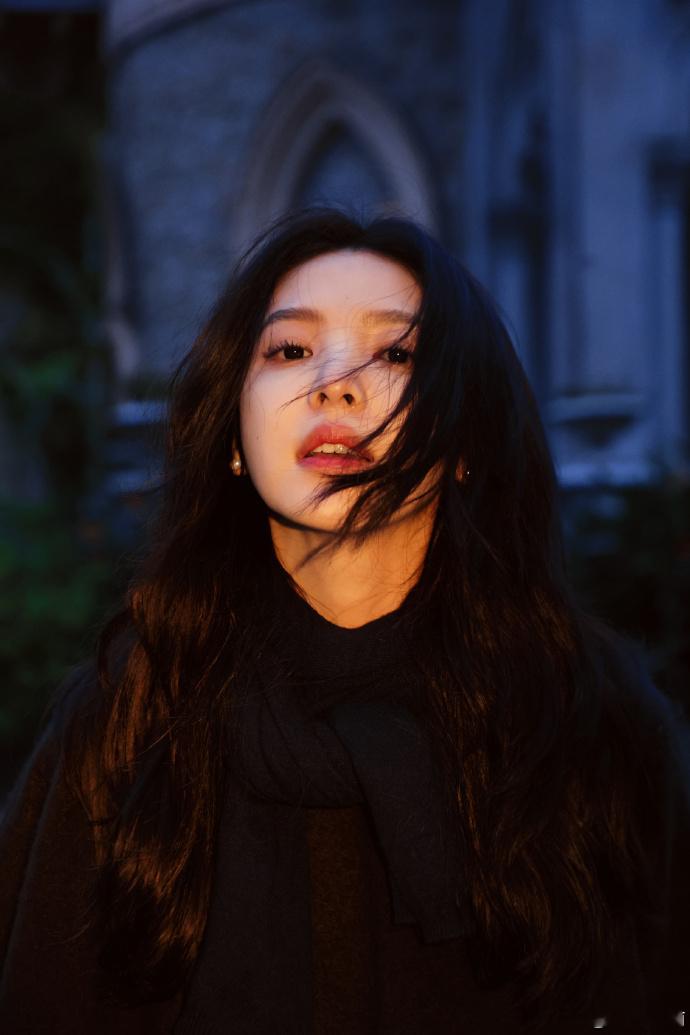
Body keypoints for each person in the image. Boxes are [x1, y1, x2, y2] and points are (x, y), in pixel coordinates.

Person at [1, 207, 689, 1035]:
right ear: (233, 436)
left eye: (397, 352)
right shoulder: (131, 719)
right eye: (289, 349)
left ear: (465, 438)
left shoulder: (592, 723)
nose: (335, 381)